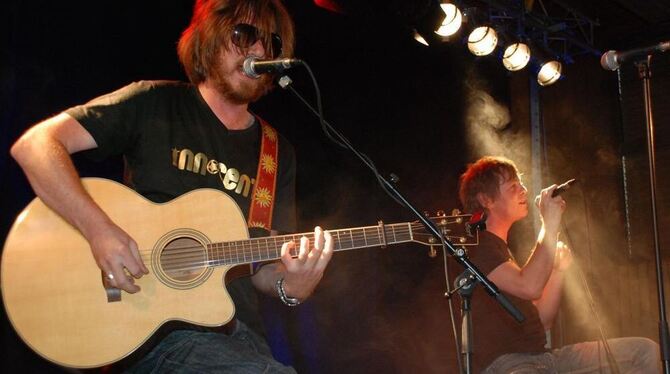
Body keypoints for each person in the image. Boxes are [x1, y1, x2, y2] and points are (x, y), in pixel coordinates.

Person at [10, 0, 333, 372]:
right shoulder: (154, 102)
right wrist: (99, 231)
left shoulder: (276, 152)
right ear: (210, 36)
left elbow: (261, 264)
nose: (260, 51)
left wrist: (292, 286)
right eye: (246, 35)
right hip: (155, 336)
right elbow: (35, 146)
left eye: (272, 44)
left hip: (239, 340)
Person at [456, 156, 660, 373]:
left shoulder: (502, 250)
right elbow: (530, 286)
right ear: (486, 199)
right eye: (513, 186)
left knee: (643, 352)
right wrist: (549, 223)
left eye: (521, 183)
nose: (523, 189)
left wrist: (557, 270)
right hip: (510, 364)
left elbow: (542, 320)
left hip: (545, 359)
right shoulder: (480, 247)